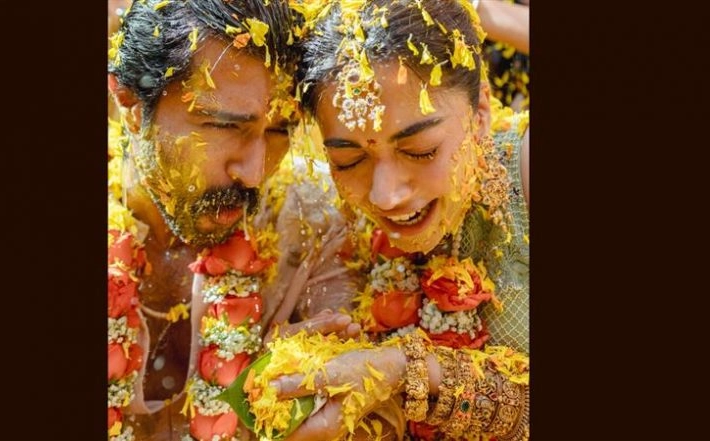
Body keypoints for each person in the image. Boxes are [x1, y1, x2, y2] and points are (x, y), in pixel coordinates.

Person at [260, 0, 530, 439]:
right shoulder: (333, 220)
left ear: (481, 113)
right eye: (348, 161)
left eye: (420, 149)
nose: (385, 195)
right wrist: (305, 371)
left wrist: (410, 371)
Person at [106, 1, 360, 439]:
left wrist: (299, 393)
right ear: (129, 103)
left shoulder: (311, 226)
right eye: (224, 126)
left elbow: (370, 408)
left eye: (280, 131)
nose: (256, 172)